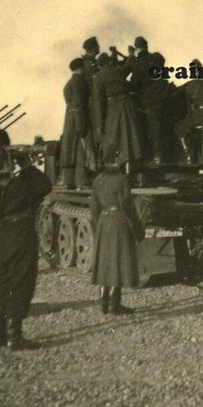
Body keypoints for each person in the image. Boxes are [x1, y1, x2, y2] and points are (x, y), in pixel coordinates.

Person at [0, 151, 53, 350]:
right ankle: (14, 337)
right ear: (9, 164)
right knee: (21, 279)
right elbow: (45, 185)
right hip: (21, 232)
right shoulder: (18, 184)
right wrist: (27, 166)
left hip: (4, 234)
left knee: (3, 279)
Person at [90, 144, 145, 315]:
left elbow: (94, 206)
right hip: (118, 222)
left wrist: (98, 224)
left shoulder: (97, 179)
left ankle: (103, 302)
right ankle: (115, 304)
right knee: (117, 262)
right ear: (116, 159)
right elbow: (127, 205)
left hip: (103, 222)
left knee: (105, 262)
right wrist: (138, 229)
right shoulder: (122, 179)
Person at [95, 50, 144, 169]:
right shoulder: (119, 71)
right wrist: (131, 54)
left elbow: (99, 101)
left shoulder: (99, 77)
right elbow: (128, 65)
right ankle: (130, 167)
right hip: (126, 104)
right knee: (128, 135)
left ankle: (116, 167)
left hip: (113, 107)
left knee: (114, 138)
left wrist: (100, 123)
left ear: (99, 65)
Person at [127, 36, 167, 163]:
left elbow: (135, 83)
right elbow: (161, 60)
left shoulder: (138, 63)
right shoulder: (155, 58)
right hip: (161, 95)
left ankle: (155, 156)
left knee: (150, 126)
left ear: (137, 48)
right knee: (157, 125)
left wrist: (132, 58)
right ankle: (159, 155)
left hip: (148, 98)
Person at [60, 58, 93, 189]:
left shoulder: (69, 83)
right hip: (77, 118)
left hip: (69, 118)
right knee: (80, 148)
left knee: (69, 149)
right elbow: (79, 104)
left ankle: (69, 181)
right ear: (80, 68)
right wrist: (81, 125)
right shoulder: (79, 82)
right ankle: (81, 180)